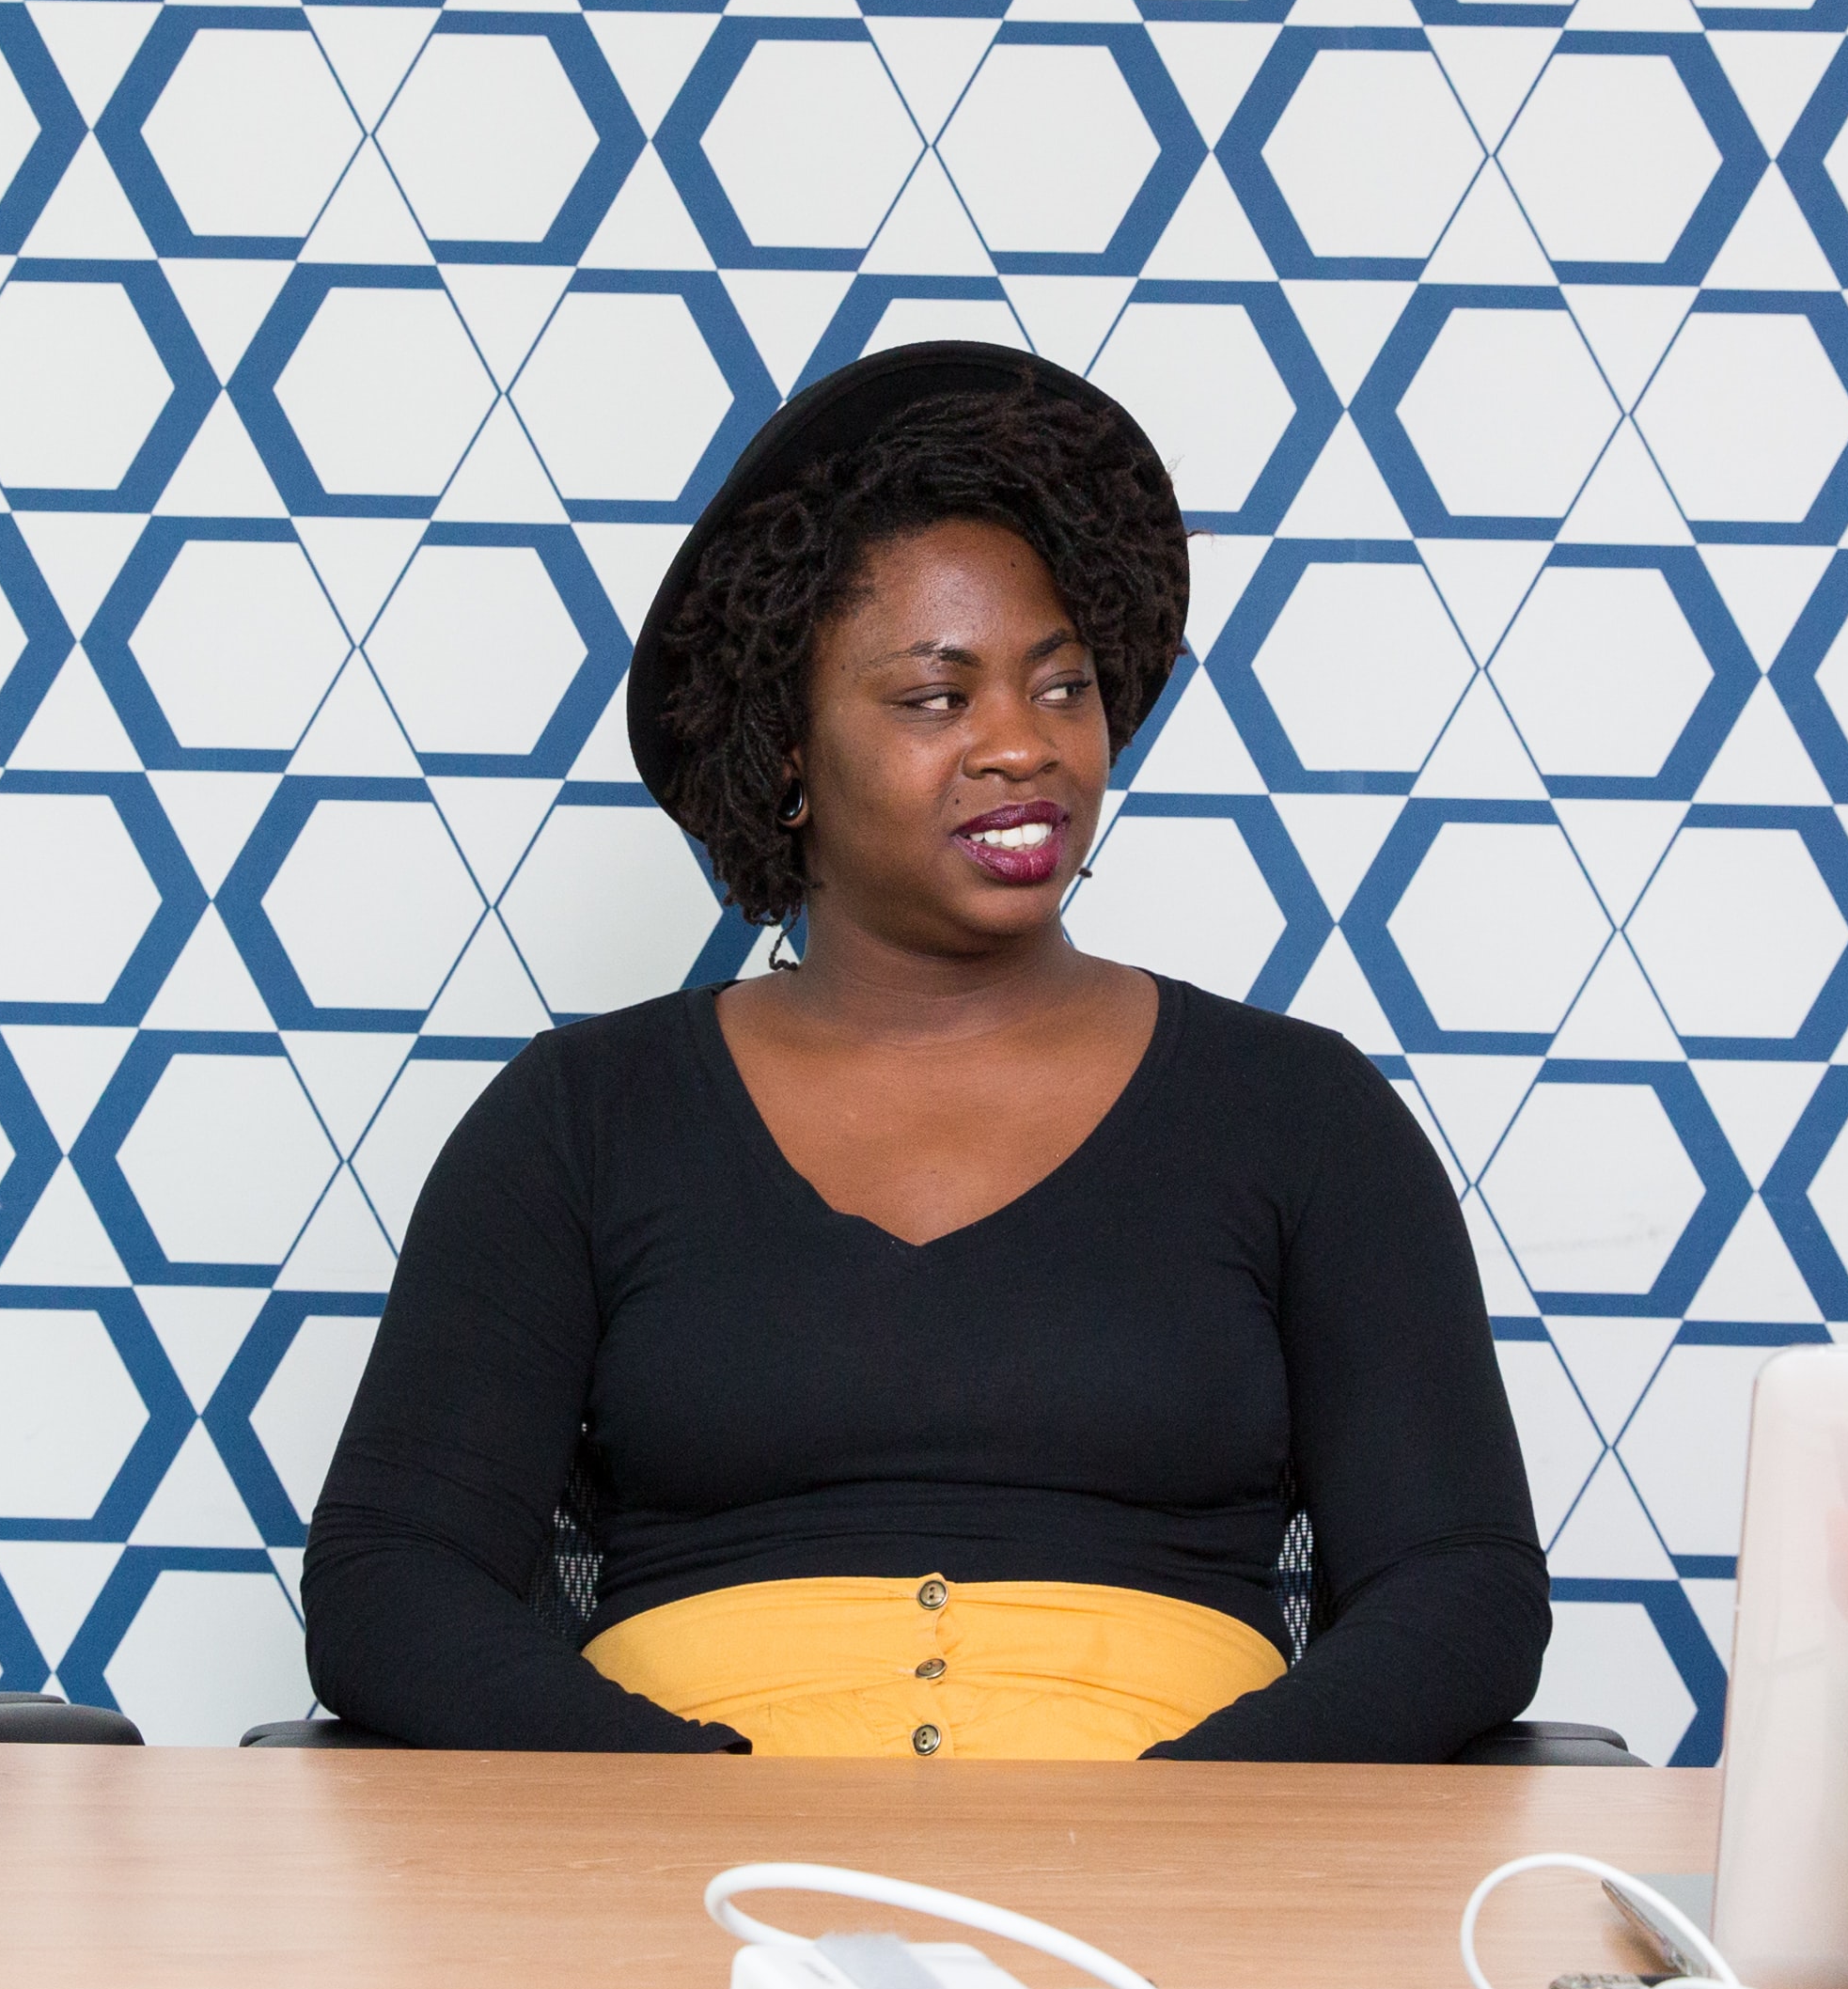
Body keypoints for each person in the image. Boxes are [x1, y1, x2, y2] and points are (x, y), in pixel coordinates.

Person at [302, 343, 1548, 1757]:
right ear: (787, 752)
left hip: (1174, 1895)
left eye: (1061, 687)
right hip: (681, 1875)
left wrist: (1187, 1816)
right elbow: (388, 1582)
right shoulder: (577, 1122)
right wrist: (695, 1805)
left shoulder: (1303, 1114)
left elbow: (1461, 1584)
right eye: (934, 699)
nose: (1023, 746)